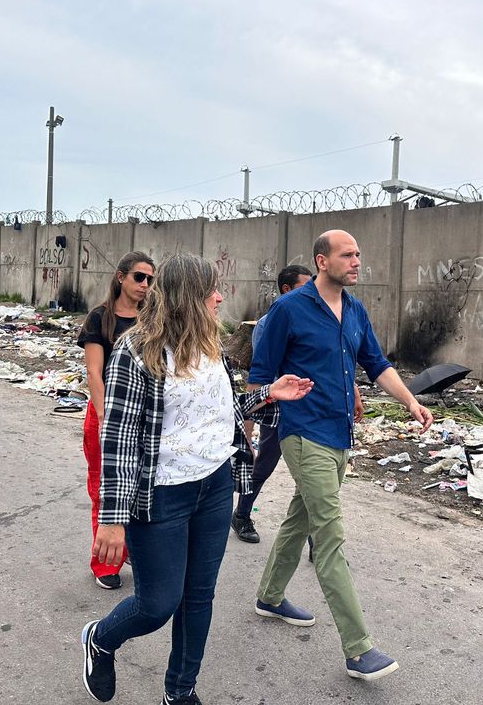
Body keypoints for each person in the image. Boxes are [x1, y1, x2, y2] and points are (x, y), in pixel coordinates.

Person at [80, 254, 313, 705]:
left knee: (199, 597)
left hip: (214, 486)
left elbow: (216, 417)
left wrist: (268, 394)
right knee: (158, 603)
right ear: (188, 296)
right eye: (212, 290)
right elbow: (121, 436)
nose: (220, 297)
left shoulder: (210, 347)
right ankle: (101, 638)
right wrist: (112, 519)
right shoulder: (136, 352)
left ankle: (180, 691)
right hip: (160, 495)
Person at [249, 229, 433, 681]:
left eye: (358, 254)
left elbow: (378, 363)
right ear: (321, 261)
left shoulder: (354, 310)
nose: (356, 261)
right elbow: (260, 372)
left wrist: (410, 402)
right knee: (329, 537)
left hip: (338, 433)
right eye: (347, 255)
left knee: (303, 514)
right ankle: (358, 648)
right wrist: (250, 424)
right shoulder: (288, 309)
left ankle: (270, 596)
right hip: (302, 432)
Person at [231, 264, 365, 545]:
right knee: (265, 464)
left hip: (317, 411)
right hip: (284, 409)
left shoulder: (330, 314)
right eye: (307, 285)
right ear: (287, 290)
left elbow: (336, 359)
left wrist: (351, 389)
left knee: (316, 477)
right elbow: (261, 374)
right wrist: (248, 429)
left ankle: (319, 538)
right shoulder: (273, 322)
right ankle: (242, 514)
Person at [77, 251, 155, 590]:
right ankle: (105, 563)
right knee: (105, 489)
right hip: (106, 417)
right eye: (139, 277)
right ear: (120, 277)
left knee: (141, 489)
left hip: (145, 419)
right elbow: (94, 372)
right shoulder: (101, 318)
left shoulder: (152, 319)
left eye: (151, 280)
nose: (145, 285)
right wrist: (105, 418)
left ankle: (133, 549)